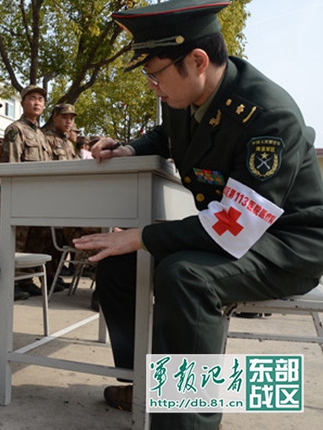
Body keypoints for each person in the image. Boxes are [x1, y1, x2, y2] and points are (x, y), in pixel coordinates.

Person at [72, 1, 323, 429]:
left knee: (185, 276)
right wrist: (130, 147)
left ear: (198, 61)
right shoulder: (185, 95)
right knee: (117, 265)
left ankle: (186, 419)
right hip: (232, 231)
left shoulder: (267, 115)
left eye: (156, 75)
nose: (153, 87)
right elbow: (169, 135)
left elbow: (236, 224)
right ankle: (144, 383)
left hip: (285, 245)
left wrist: (142, 236)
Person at [0, 85, 68, 299]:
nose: (37, 102)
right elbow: (11, 165)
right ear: (22, 103)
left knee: (35, 241)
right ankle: (11, 284)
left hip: (40, 198)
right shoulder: (15, 130)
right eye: (32, 98)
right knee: (17, 242)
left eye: (40, 99)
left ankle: (25, 280)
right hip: (21, 196)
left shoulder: (40, 134)